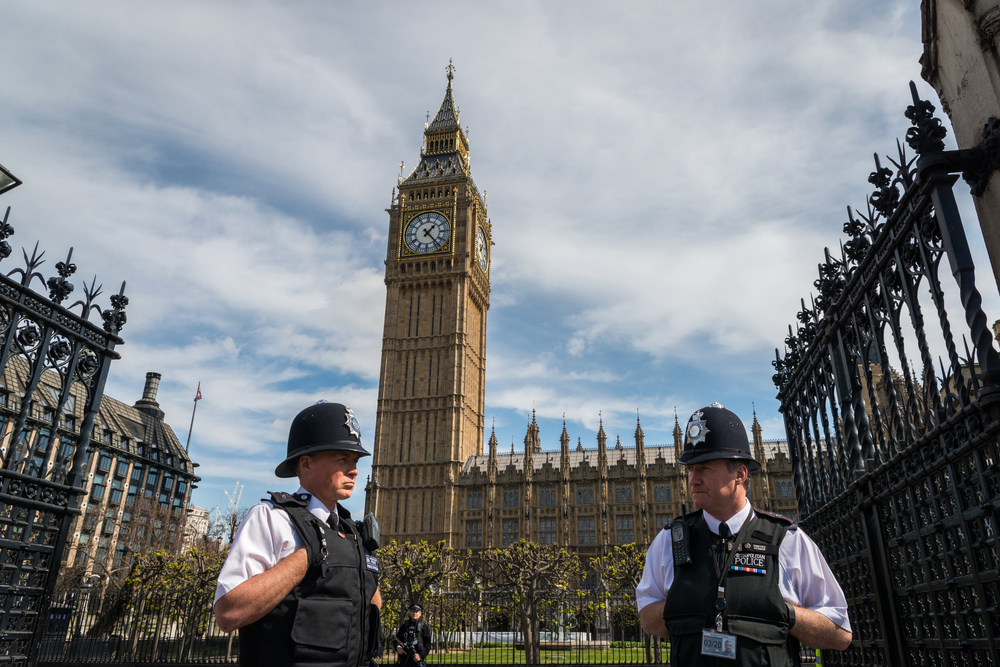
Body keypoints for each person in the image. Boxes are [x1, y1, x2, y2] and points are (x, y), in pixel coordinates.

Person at [637, 403, 852, 665]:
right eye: (690, 469)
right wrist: (682, 607)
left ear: (740, 474)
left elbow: (840, 634)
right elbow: (647, 617)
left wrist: (782, 612)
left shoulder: (787, 540)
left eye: (704, 468)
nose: (693, 479)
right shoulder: (669, 542)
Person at [213, 402, 383, 666]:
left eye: (355, 460)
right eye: (342, 459)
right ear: (306, 464)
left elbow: (369, 606)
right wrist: (308, 555)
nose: (354, 470)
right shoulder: (272, 517)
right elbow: (228, 612)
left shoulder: (352, 530)